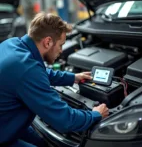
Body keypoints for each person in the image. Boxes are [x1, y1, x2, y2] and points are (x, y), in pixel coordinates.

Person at [0, 12, 109, 147]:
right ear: (48, 42)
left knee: (42, 142)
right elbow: (65, 120)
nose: (61, 51)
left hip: (5, 120)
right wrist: (95, 115)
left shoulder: (12, 44)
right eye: (61, 45)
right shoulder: (27, 69)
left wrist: (73, 77)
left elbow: (39, 72)